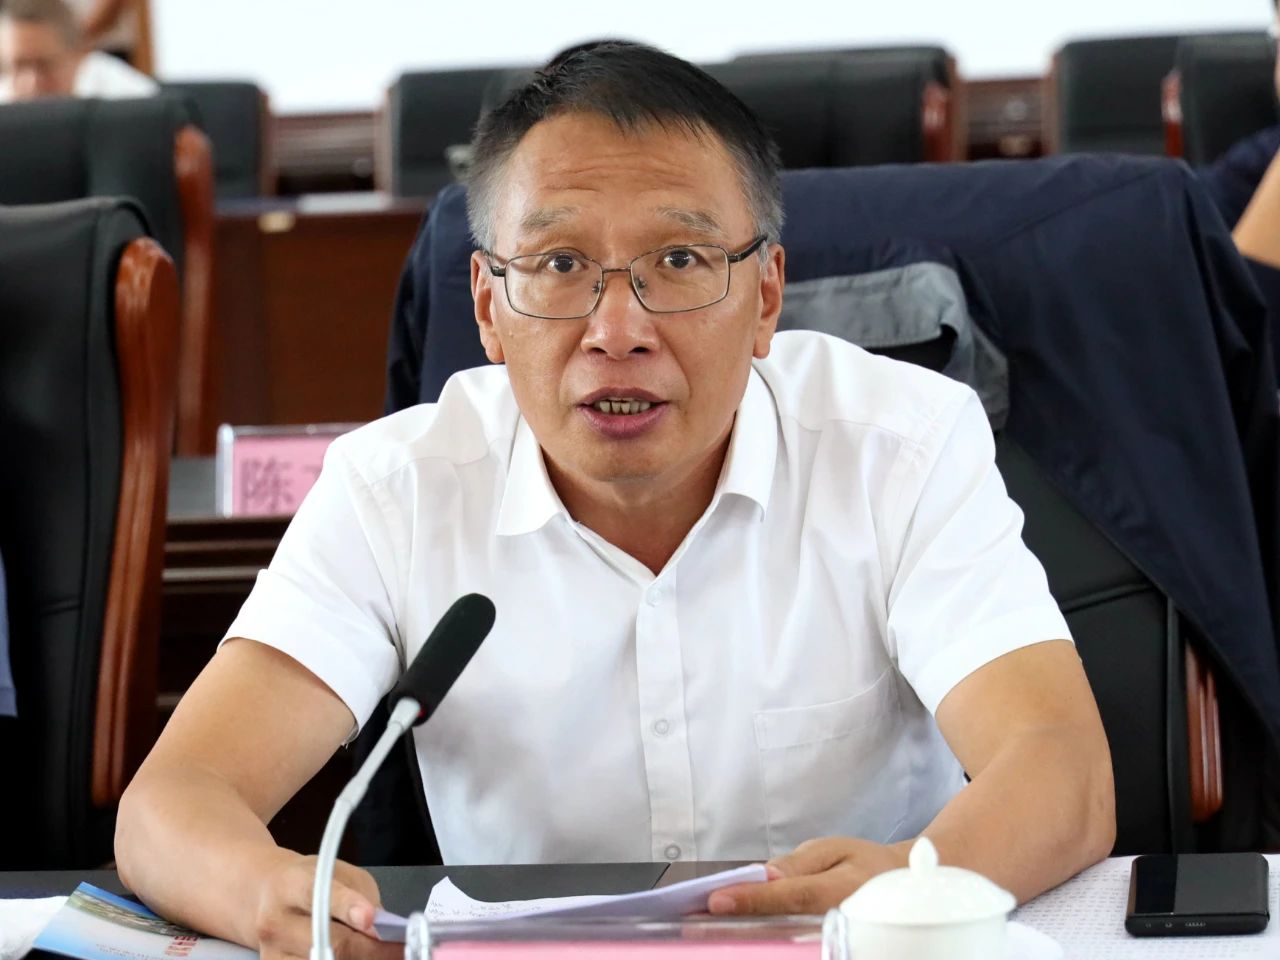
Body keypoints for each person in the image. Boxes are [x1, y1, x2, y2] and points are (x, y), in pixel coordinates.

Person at [115, 42, 1115, 959]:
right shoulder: (396, 490)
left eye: (678, 261)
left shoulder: (900, 445)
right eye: (560, 266)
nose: (617, 329)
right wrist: (263, 896)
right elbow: (172, 803)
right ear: (487, 307)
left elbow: (1059, 768)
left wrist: (910, 884)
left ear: (766, 295)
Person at [0, 0, 155, 102]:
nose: (31, 84)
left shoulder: (125, 97)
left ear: (79, 56)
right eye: (19, 66)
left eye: (44, 65)